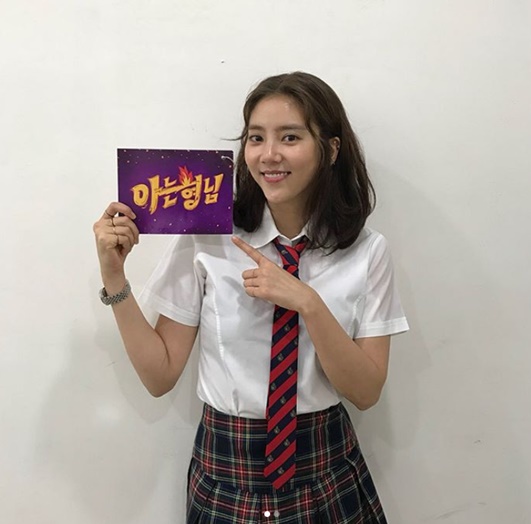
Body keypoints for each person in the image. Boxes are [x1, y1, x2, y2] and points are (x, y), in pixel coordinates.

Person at [93, 71, 409, 523]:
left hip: (326, 471)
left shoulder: (367, 251)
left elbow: (366, 391)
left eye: (290, 137)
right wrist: (114, 277)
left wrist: (308, 303)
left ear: (331, 149)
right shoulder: (208, 236)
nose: (269, 154)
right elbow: (159, 375)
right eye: (256, 137)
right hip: (225, 474)